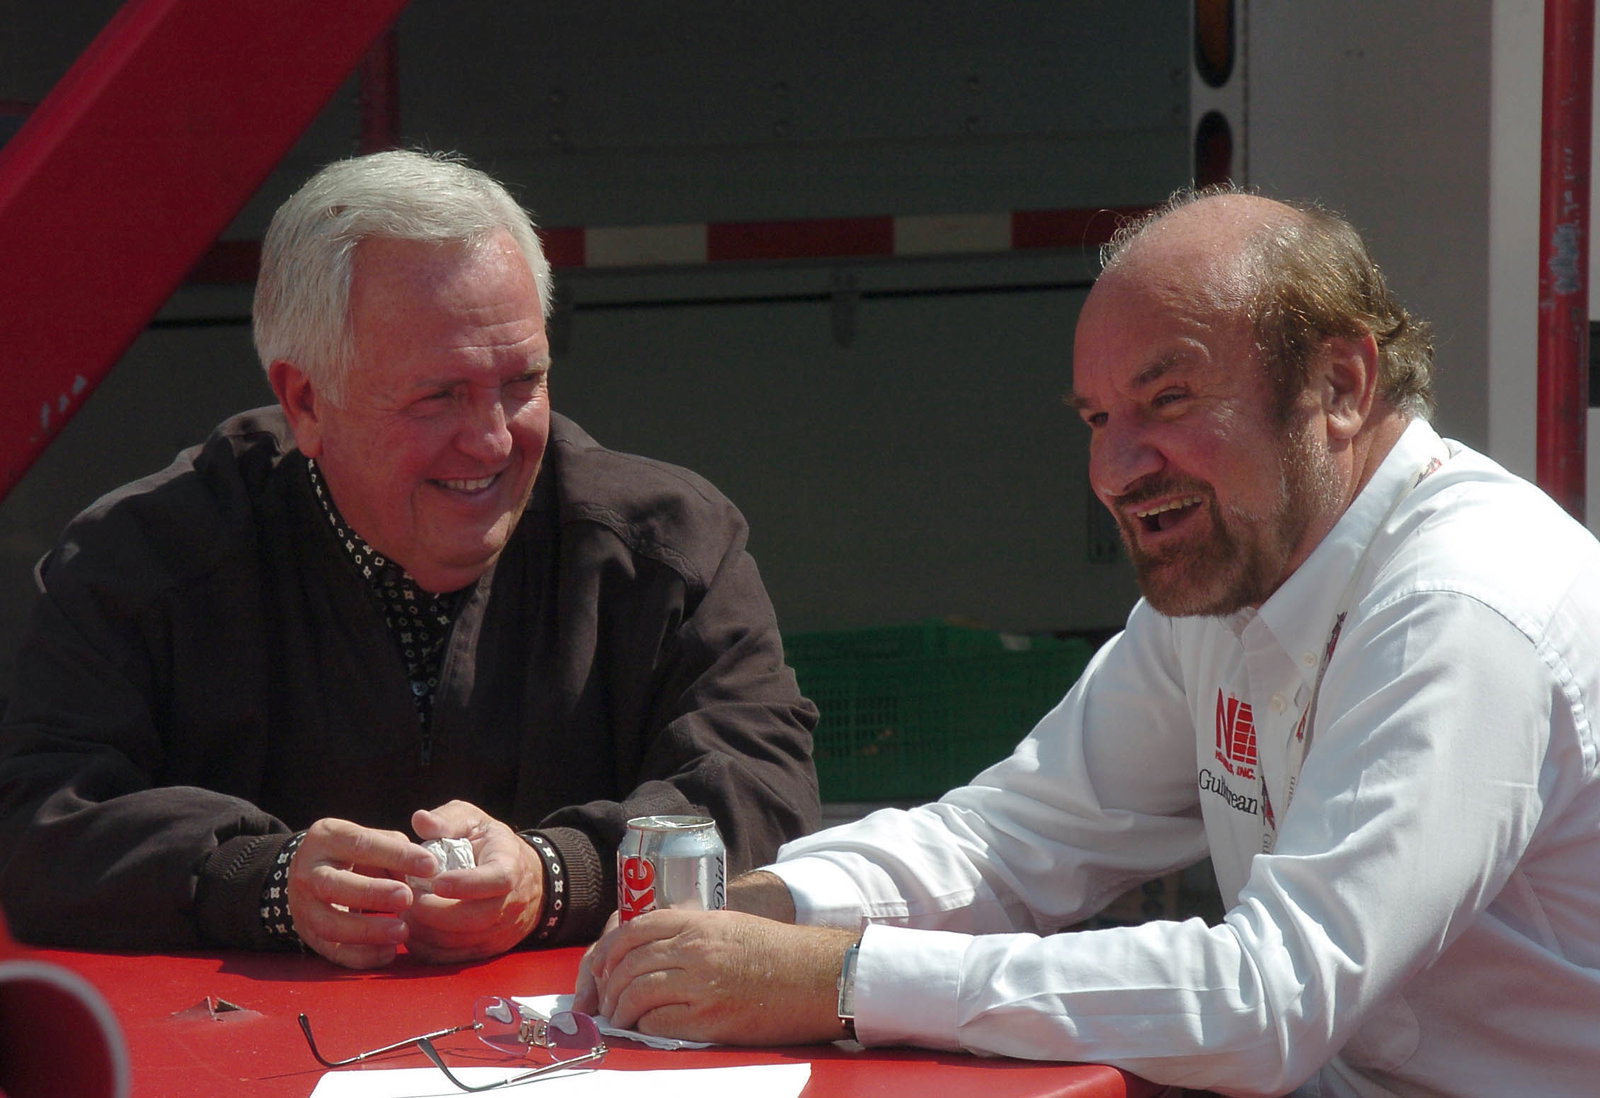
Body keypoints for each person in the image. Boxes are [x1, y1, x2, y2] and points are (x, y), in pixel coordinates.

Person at [575, 188, 1600, 1097]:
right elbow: (1014, 841)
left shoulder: (1459, 604)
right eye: (1098, 418)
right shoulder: (1246, 569)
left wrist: (837, 980)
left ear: (1339, 385)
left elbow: (1271, 1001)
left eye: (1168, 401)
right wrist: (769, 910)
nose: (1114, 470)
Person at [0, 149, 820, 970]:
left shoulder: (669, 549)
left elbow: (763, 788)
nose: (492, 441)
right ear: (306, 401)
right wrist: (263, 880)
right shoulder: (139, 562)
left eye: (521, 382)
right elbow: (37, 819)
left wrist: (557, 873)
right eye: (440, 395)